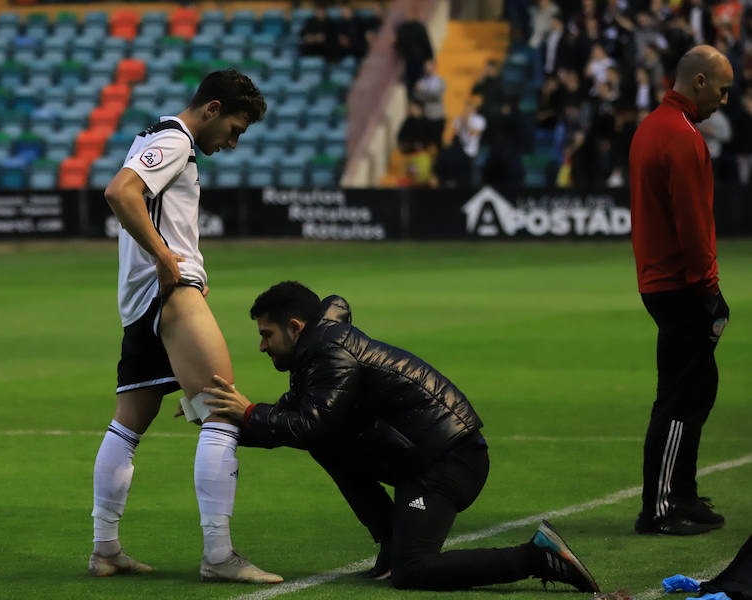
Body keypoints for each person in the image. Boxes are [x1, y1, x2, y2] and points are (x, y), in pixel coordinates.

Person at [201, 281, 601, 594]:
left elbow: (309, 424)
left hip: (449, 460)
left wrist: (249, 413)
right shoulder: (318, 351)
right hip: (419, 454)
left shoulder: (329, 350)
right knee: (325, 442)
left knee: (416, 570)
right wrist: (222, 423)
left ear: (294, 327)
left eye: (267, 334)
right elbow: (296, 422)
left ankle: (536, 556)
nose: (261, 346)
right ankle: (392, 544)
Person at [89, 69, 282, 583]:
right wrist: (170, 262)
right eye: (236, 129)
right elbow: (120, 193)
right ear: (213, 109)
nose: (234, 143)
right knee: (222, 409)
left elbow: (140, 201)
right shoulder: (175, 139)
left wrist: (170, 260)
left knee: (127, 424)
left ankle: (105, 548)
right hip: (170, 297)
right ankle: (219, 555)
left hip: (140, 306)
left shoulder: (154, 136)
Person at [628, 45, 733, 536]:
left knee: (697, 389)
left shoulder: (650, 128)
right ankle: (662, 508)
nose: (724, 100)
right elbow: (693, 225)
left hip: (659, 281)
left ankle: (683, 495)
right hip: (681, 285)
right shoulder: (683, 138)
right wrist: (709, 289)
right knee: (678, 397)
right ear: (698, 82)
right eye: (722, 89)